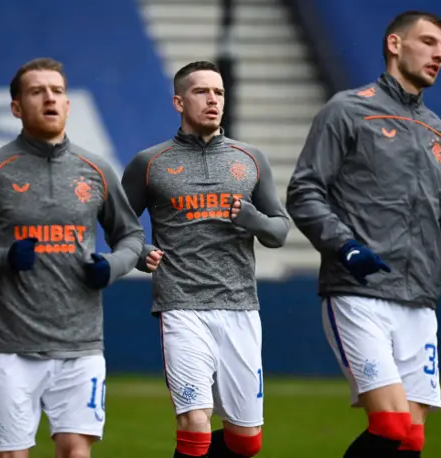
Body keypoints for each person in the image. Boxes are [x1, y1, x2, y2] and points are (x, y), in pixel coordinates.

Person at [286, 11, 441, 458]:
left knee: (411, 439)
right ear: (394, 44)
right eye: (428, 42)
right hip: (359, 290)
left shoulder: (440, 134)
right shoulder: (348, 110)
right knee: (389, 426)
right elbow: (304, 191)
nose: (439, 55)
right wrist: (346, 247)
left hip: (420, 301)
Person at [0, 57, 145, 458]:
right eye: (37, 91)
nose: (49, 98)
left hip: (81, 344)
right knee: (11, 455)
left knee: (76, 452)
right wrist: (2, 258)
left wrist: (113, 267)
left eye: (57, 91)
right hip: (8, 346)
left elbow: (131, 235)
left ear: (68, 104)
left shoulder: (96, 169)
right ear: (17, 107)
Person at [121, 60, 290, 458]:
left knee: (246, 443)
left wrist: (253, 219)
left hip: (241, 307)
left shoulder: (250, 159)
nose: (213, 99)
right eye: (201, 92)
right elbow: (119, 226)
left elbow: (280, 231)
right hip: (182, 306)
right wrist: (139, 252)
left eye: (219, 92)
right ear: (179, 101)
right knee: (196, 422)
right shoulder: (150, 163)